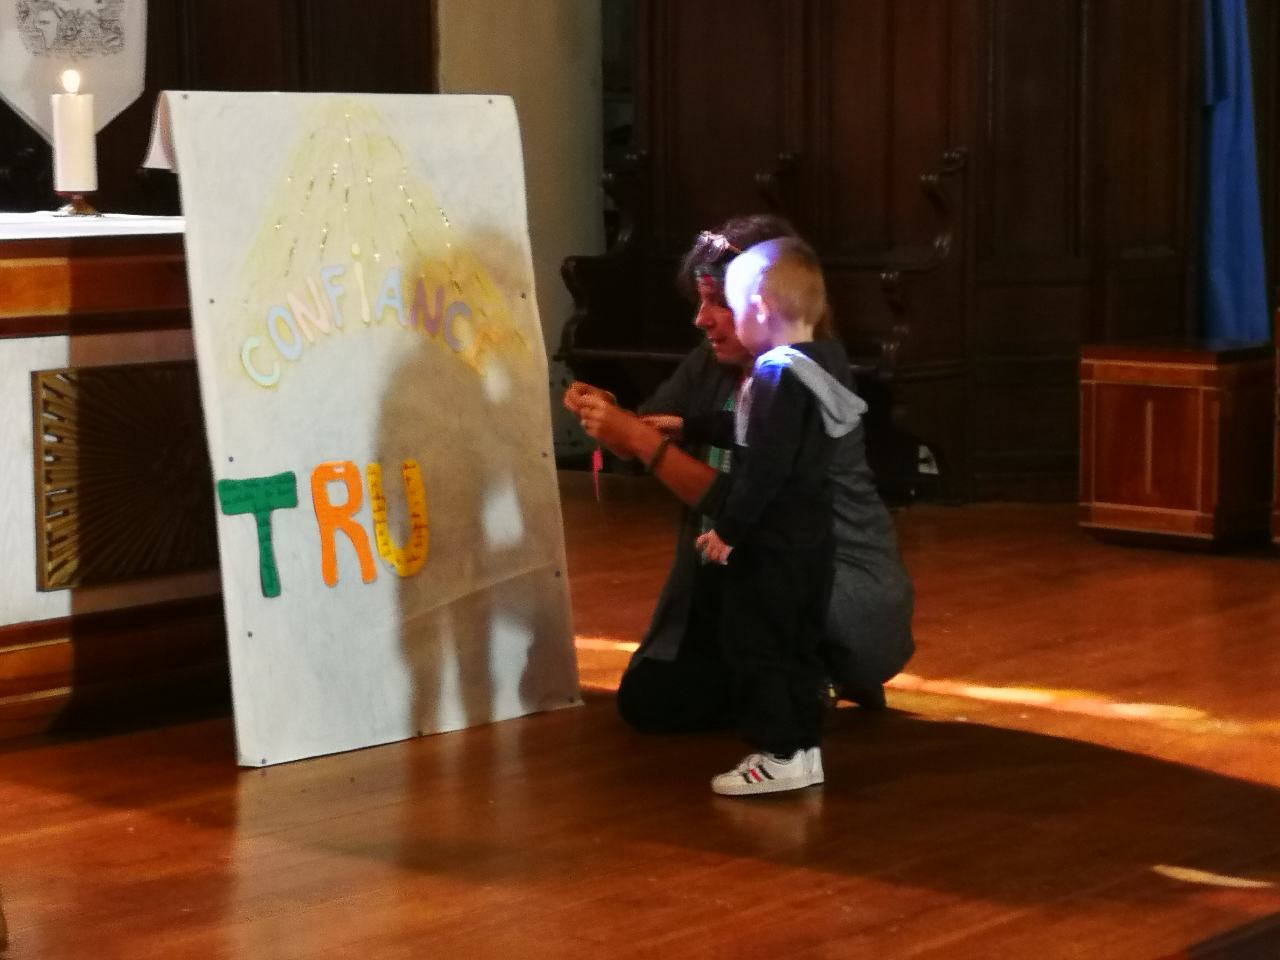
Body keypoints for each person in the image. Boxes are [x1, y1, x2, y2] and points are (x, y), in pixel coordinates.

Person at [565, 214, 914, 738]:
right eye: (700, 302)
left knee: (736, 614)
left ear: (765, 304)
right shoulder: (713, 363)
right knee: (653, 700)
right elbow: (646, 434)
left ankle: (816, 680)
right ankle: (803, 680)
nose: (701, 320)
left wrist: (639, 438)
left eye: (719, 303)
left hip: (835, 586)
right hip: (751, 574)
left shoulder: (803, 375)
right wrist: (609, 415)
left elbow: (749, 504)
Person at [684, 237, 863, 795]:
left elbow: (763, 465)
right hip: (813, 539)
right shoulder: (820, 363)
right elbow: (755, 434)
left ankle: (777, 752)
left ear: (759, 308)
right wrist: (687, 425)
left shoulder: (773, 375)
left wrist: (728, 531)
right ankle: (804, 750)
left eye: (734, 307)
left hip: (770, 541)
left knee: (753, 643)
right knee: (799, 647)